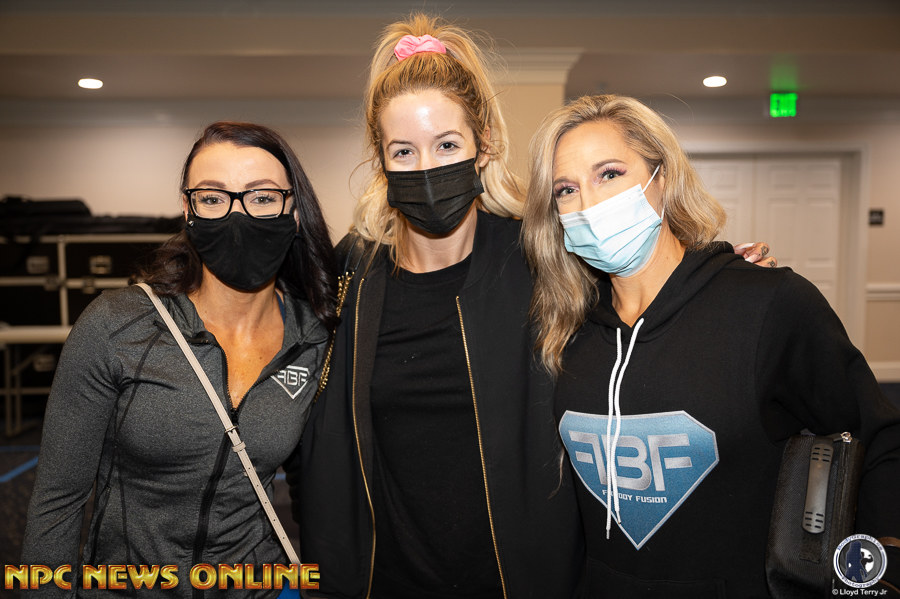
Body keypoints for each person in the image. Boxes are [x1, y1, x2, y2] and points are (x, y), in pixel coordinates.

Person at [289, 16, 774, 599]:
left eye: (447, 144)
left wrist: (716, 277)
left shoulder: (542, 254)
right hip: (383, 577)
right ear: (380, 158)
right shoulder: (353, 270)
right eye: (403, 151)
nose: (427, 167)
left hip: (525, 576)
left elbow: (644, 297)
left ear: (484, 144)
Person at [521, 94, 900, 597]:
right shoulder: (566, 330)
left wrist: (876, 573)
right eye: (566, 190)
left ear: (662, 178)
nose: (588, 205)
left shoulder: (768, 305)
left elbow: (877, 437)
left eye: (609, 174)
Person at [21, 121, 337, 597]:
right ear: (188, 211)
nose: (237, 215)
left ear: (293, 211)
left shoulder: (313, 336)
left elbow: (314, 486)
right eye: (212, 197)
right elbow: (57, 501)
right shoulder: (118, 324)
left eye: (262, 197)